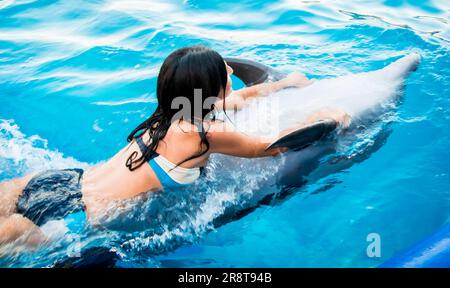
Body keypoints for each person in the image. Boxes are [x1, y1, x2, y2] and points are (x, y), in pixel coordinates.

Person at [0, 46, 351, 249]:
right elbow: (271, 147)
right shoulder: (205, 135)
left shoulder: (173, 113)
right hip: (82, 219)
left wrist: (282, 85)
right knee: (12, 236)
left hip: (61, 182)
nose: (230, 70)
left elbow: (235, 98)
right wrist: (326, 116)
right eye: (223, 71)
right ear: (210, 90)